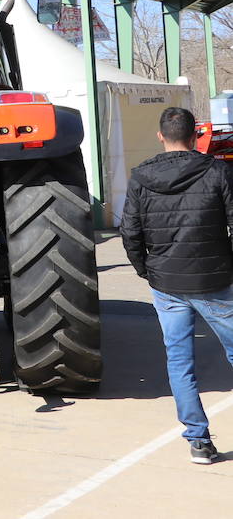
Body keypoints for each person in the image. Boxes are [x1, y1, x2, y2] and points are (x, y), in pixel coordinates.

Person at [121, 106, 233, 465]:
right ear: (195, 135)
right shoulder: (218, 171)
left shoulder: (140, 177)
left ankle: (198, 441)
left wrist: (146, 270)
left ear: (160, 136)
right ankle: (198, 439)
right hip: (214, 280)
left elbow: (130, 232)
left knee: (180, 361)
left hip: (166, 283)